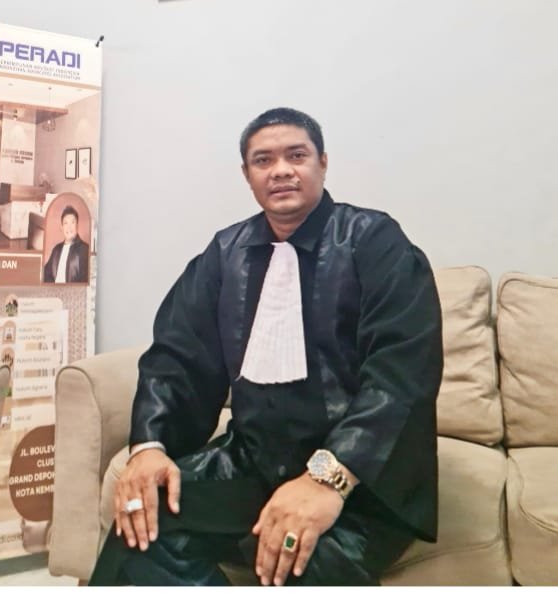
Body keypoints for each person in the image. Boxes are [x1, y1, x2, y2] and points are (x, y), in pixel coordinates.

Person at [90, 107, 444, 586]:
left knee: (298, 560)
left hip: (362, 479)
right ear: (247, 175)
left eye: (296, 155)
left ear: (322, 162)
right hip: (254, 461)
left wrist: (327, 479)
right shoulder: (226, 253)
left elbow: (400, 376)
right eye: (263, 160)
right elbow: (177, 360)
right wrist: (150, 446)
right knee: (142, 525)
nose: (280, 170)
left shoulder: (375, 241)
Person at [42, 205, 89, 283]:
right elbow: (46, 274)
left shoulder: (84, 249)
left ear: (77, 225)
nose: (69, 227)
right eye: (66, 223)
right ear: (62, 227)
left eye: (72, 222)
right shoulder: (56, 249)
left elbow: (84, 282)